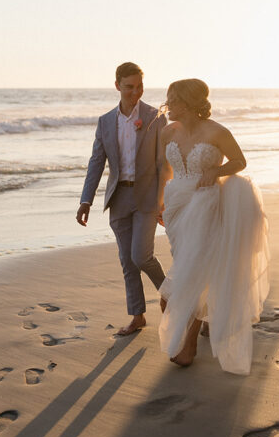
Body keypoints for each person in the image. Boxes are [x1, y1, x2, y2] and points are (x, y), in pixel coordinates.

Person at [157, 78, 269, 374]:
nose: (167, 106)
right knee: (187, 267)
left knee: (191, 274)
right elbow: (165, 169)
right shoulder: (167, 132)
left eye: (173, 100)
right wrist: (160, 202)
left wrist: (216, 171)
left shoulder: (218, 132)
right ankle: (200, 323)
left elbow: (239, 161)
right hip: (176, 207)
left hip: (205, 204)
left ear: (190, 103)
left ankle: (190, 345)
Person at [77, 62, 167, 337]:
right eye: (129, 87)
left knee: (141, 256)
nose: (135, 92)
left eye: (139, 86)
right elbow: (96, 162)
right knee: (127, 262)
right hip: (118, 197)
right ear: (117, 85)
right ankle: (137, 316)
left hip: (147, 196)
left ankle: (171, 295)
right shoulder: (105, 121)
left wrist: (162, 200)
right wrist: (86, 201)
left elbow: (163, 164)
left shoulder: (155, 118)